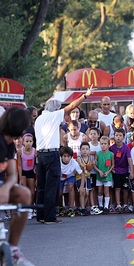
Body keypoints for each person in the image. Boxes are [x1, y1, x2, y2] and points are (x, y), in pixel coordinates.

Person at [35, 85, 95, 224]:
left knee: (42, 186)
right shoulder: (54, 115)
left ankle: (41, 215)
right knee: (51, 186)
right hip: (51, 154)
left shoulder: (38, 119)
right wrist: (86, 95)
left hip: (40, 154)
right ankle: (50, 217)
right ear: (56, 109)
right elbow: (72, 105)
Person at [0, 107, 34, 265]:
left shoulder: (9, 145)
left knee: (24, 194)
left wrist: (6, 188)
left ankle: (13, 250)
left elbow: (12, 174)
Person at [109, 128, 134, 213]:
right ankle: (118, 205)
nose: (118, 137)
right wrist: (111, 168)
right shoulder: (111, 148)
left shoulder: (126, 147)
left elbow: (129, 159)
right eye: (116, 135)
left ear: (124, 137)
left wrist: (131, 171)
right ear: (114, 136)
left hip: (124, 171)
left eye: (120, 135)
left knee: (125, 189)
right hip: (116, 171)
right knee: (117, 188)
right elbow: (109, 160)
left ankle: (125, 204)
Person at [58, 146, 83, 218]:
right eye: (64, 156)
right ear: (61, 156)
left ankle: (71, 208)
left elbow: (82, 174)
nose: (66, 158)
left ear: (71, 157)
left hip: (70, 176)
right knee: (59, 192)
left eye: (68, 156)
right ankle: (60, 207)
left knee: (71, 187)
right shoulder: (58, 162)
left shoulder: (74, 163)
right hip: (60, 177)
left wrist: (81, 187)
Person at [93, 136, 114, 214]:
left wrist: (108, 172)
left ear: (108, 145)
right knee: (99, 190)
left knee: (106, 190)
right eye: (101, 144)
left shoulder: (111, 154)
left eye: (105, 144)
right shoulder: (98, 154)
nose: (103, 145)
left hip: (107, 175)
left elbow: (112, 165)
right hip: (99, 175)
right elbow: (94, 165)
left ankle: (106, 206)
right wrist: (99, 172)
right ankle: (100, 205)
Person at [17, 133, 36, 218]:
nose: (28, 143)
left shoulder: (34, 151)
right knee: (25, 191)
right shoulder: (20, 151)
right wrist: (20, 177)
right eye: (26, 141)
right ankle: (27, 209)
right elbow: (19, 165)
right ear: (23, 142)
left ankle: (32, 207)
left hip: (31, 172)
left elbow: (36, 163)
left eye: (30, 141)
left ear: (33, 142)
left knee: (32, 192)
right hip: (24, 172)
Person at [88, 127, 102, 215]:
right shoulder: (88, 144)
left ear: (98, 135)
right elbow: (85, 152)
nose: (93, 135)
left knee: (99, 189)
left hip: (100, 169)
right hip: (91, 170)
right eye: (91, 134)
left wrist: (94, 153)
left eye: (95, 134)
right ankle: (92, 205)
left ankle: (99, 204)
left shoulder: (101, 144)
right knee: (92, 188)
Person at [75, 142, 92, 216]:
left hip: (87, 177)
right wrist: (82, 165)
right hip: (80, 177)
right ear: (80, 150)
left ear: (89, 150)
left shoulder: (90, 158)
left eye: (87, 149)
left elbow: (90, 169)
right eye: (83, 149)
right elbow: (81, 165)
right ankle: (82, 208)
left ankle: (82, 207)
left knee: (87, 194)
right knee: (82, 193)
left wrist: (93, 164)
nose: (85, 151)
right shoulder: (79, 158)